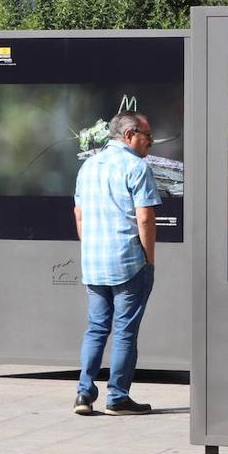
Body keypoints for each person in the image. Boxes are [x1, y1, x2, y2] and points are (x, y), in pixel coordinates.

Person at [72, 111, 159, 416]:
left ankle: (83, 394)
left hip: (93, 262)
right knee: (124, 331)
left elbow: (78, 214)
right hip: (128, 262)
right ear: (129, 135)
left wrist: (90, 247)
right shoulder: (136, 167)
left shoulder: (88, 166)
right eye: (147, 135)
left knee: (96, 328)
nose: (151, 141)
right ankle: (117, 397)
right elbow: (145, 217)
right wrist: (149, 259)